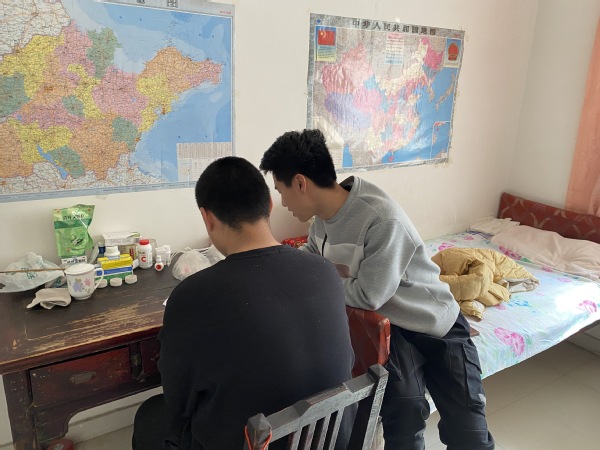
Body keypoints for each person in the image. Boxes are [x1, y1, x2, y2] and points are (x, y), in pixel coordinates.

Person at [260, 129, 495, 450]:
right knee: (403, 418)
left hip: (434, 324)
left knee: (468, 431)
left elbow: (368, 295)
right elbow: (311, 263)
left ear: (300, 183)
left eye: (281, 191)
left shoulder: (381, 219)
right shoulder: (320, 224)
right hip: (391, 329)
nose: (283, 203)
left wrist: (320, 282)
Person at [132, 156, 355, 450]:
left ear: (208, 218)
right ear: (269, 206)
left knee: (150, 415)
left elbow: (179, 402)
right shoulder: (324, 271)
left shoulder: (192, 296)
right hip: (331, 439)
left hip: (255, 443)